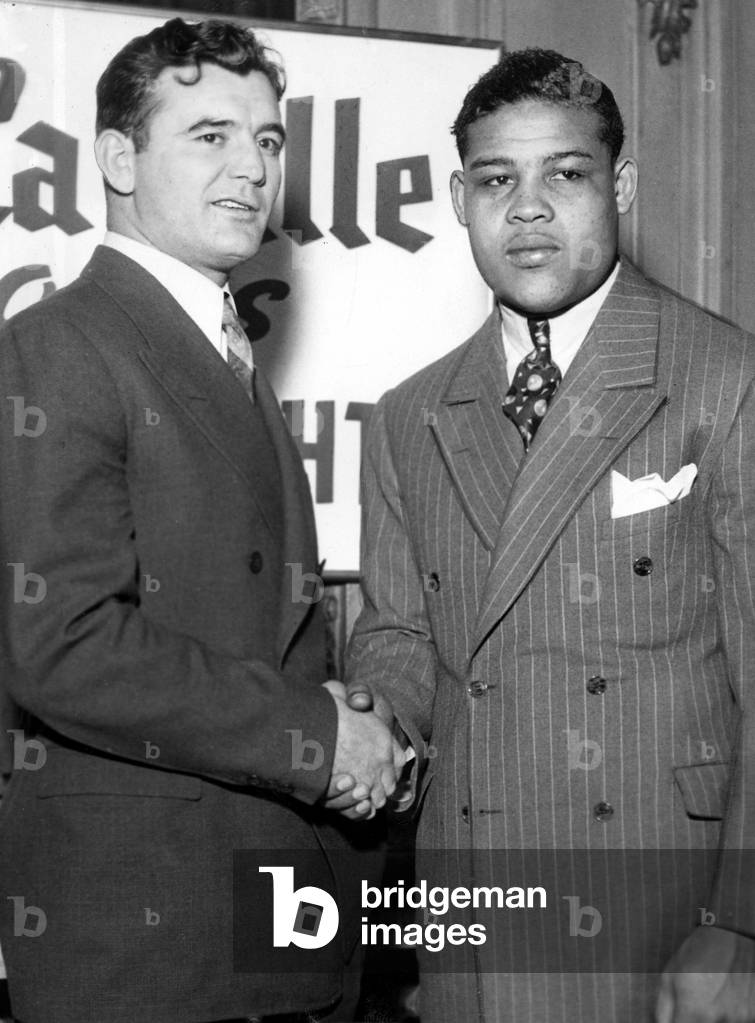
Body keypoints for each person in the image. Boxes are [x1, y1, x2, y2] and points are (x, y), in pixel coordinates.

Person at [0, 18, 403, 1023]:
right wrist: (317, 740)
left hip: (253, 921)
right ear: (117, 157)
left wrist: (356, 728)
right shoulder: (58, 347)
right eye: (210, 136)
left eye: (267, 141)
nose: (252, 169)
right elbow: (63, 646)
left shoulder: (219, 349)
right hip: (142, 941)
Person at [345, 48, 755, 1023]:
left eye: (561, 175)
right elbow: (400, 631)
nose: (525, 209)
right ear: (457, 197)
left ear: (616, 185)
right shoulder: (407, 414)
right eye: (494, 180)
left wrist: (739, 928)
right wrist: (373, 724)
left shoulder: (719, 377)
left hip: (662, 901)